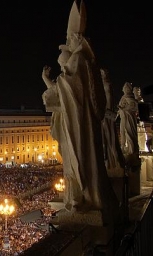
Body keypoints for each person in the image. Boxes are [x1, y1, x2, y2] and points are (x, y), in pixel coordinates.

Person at [42, 0, 118, 217]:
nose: (67, 42)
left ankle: (82, 197)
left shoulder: (78, 60)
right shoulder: (86, 61)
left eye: (68, 40)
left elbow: (66, 88)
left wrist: (51, 86)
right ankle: (86, 195)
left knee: (79, 159)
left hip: (79, 125)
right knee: (83, 160)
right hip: (82, 122)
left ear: (75, 38)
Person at [100, 68, 125, 177]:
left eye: (102, 73)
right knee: (109, 140)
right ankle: (114, 161)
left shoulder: (105, 85)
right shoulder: (106, 85)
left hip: (106, 115)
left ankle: (114, 162)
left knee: (108, 140)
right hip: (107, 115)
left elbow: (108, 99)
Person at [118, 82, 139, 156]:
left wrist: (124, 108)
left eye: (125, 87)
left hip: (128, 118)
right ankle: (123, 147)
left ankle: (131, 150)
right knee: (122, 132)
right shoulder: (123, 97)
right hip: (123, 117)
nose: (123, 89)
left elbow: (134, 106)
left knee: (129, 133)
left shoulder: (129, 96)